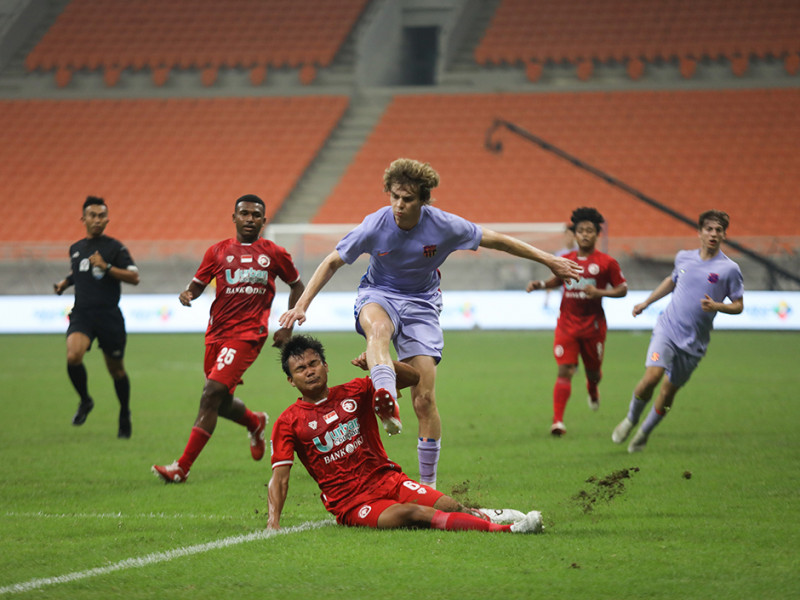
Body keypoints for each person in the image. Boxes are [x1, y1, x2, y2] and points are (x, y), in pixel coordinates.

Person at [279, 158, 582, 489]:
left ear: (423, 200)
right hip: (378, 294)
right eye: (394, 196)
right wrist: (302, 306)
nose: (399, 205)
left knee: (424, 398)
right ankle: (385, 398)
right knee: (377, 331)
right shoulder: (374, 225)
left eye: (407, 199)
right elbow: (332, 261)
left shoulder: (445, 225)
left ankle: (429, 488)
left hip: (422, 304)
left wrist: (549, 259)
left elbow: (496, 239)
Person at [268, 334, 543, 534]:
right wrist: (273, 522)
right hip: (353, 503)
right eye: (301, 369)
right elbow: (280, 479)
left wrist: (380, 365)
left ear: (326, 366)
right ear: (291, 380)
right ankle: (509, 530)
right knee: (416, 514)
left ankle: (481, 515)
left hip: (389, 480)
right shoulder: (288, 422)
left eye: (314, 363)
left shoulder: (357, 390)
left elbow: (413, 378)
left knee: (450, 506)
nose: (310, 372)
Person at [152, 194, 304, 483]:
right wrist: (188, 294)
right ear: (234, 217)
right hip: (216, 334)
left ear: (263, 221)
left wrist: (288, 325)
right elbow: (197, 284)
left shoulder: (274, 253)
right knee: (220, 402)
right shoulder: (217, 251)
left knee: (210, 393)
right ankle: (255, 421)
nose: (249, 219)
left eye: (256, 215)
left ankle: (181, 468)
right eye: (244, 213)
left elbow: (297, 285)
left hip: (248, 335)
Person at [612, 209, 744, 452]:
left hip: (694, 343)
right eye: (709, 229)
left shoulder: (729, 269)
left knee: (668, 392)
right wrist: (647, 302)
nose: (713, 234)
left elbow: (738, 305)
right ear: (700, 232)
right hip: (668, 329)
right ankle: (631, 419)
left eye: (718, 230)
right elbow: (672, 281)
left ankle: (644, 432)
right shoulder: (684, 258)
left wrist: (718, 306)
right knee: (652, 377)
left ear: (724, 235)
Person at [526, 207, 627, 436]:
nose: (585, 234)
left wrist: (600, 293)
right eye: (581, 230)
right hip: (567, 324)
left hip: (593, 327)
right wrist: (540, 285)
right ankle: (557, 422)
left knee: (593, 373)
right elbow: (556, 281)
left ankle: (592, 388)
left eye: (589, 230)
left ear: (597, 234)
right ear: (575, 234)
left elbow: (622, 289)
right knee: (565, 370)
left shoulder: (607, 262)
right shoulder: (565, 260)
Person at [54, 196, 140, 438]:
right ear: (83, 219)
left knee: (117, 371)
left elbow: (134, 277)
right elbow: (79, 272)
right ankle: (85, 400)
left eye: (102, 216)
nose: (97, 220)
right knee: (73, 356)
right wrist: (65, 283)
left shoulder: (115, 248)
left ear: (107, 220)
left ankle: (124, 413)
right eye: (92, 215)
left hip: (109, 316)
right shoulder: (76, 248)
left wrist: (107, 267)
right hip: (82, 314)